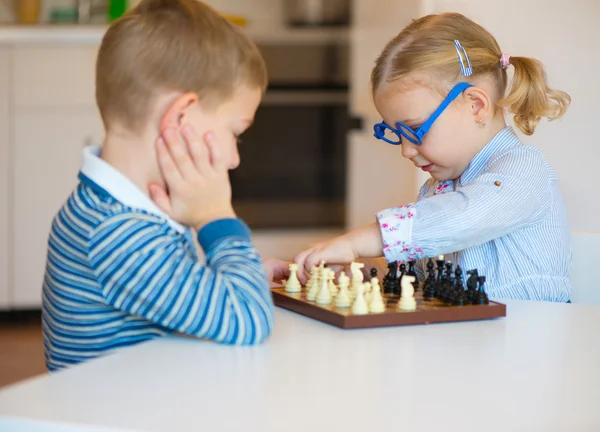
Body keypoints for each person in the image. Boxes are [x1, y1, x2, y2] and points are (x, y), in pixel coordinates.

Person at [41, 0, 290, 372]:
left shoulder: (112, 210)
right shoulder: (118, 232)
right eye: (235, 133)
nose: (235, 159)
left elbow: (172, 288)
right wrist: (217, 218)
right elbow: (249, 320)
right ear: (181, 116)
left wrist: (241, 274)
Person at [294, 12, 572, 302]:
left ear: (476, 106)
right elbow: (421, 270)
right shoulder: (436, 189)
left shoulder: (525, 171)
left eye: (415, 129)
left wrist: (361, 240)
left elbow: (462, 218)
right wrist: (365, 271)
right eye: (396, 134)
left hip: (529, 340)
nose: (406, 150)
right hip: (465, 340)